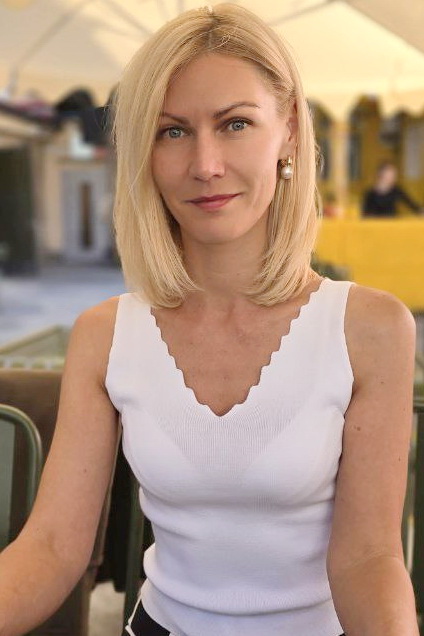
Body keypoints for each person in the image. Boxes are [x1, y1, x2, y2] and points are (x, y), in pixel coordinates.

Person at [0, 4, 419, 636]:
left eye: (235, 124)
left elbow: (368, 559)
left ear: (289, 132)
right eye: (172, 132)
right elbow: (53, 547)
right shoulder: (105, 335)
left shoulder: (370, 329)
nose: (205, 164)